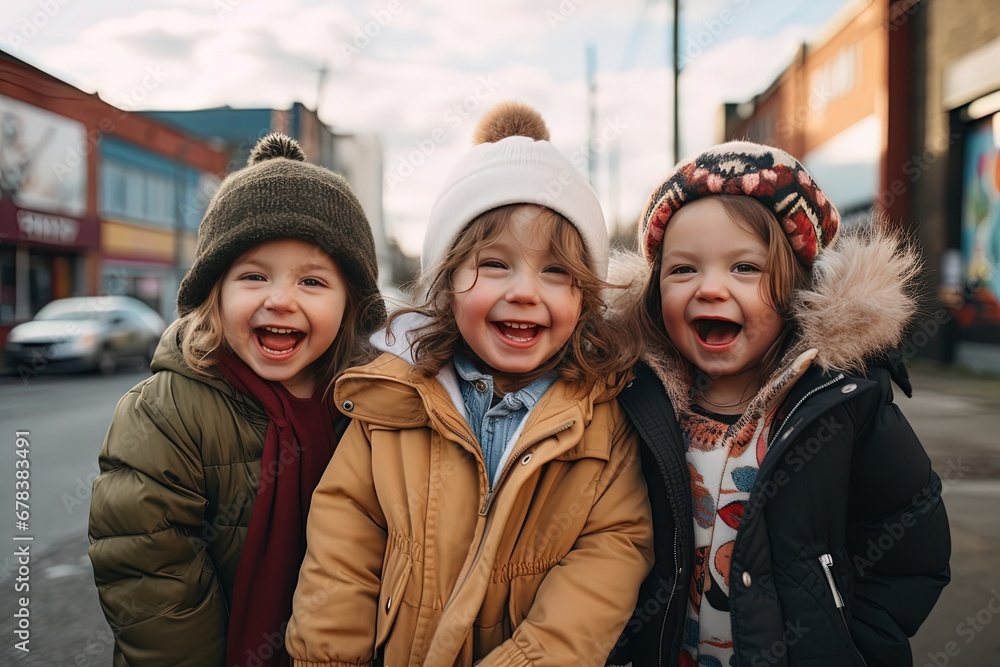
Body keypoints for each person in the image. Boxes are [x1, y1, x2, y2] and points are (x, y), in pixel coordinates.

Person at [285, 101, 653, 667]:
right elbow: (342, 549)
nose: (526, 291)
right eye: (495, 264)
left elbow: (610, 559)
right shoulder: (391, 403)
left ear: (583, 298)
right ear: (448, 283)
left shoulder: (606, 420)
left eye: (556, 271)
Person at [607, 142, 951, 667]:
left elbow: (909, 548)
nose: (711, 288)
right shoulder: (638, 401)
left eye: (744, 268)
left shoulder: (841, 405)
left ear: (797, 286)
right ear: (654, 291)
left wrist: (854, 646)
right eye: (682, 270)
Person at [88, 133, 386, 667]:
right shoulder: (165, 412)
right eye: (253, 276)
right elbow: (151, 577)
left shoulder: (372, 407)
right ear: (214, 292)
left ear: (350, 305)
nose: (279, 299)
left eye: (313, 281)